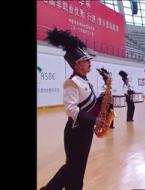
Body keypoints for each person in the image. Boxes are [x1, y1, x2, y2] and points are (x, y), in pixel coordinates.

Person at [41, 28, 108, 190]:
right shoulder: (72, 82)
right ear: (77, 64)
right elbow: (71, 110)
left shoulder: (85, 81)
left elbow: (93, 104)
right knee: (73, 167)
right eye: (86, 61)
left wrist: (105, 96)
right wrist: (95, 120)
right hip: (75, 131)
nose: (89, 63)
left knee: (77, 167)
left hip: (85, 130)